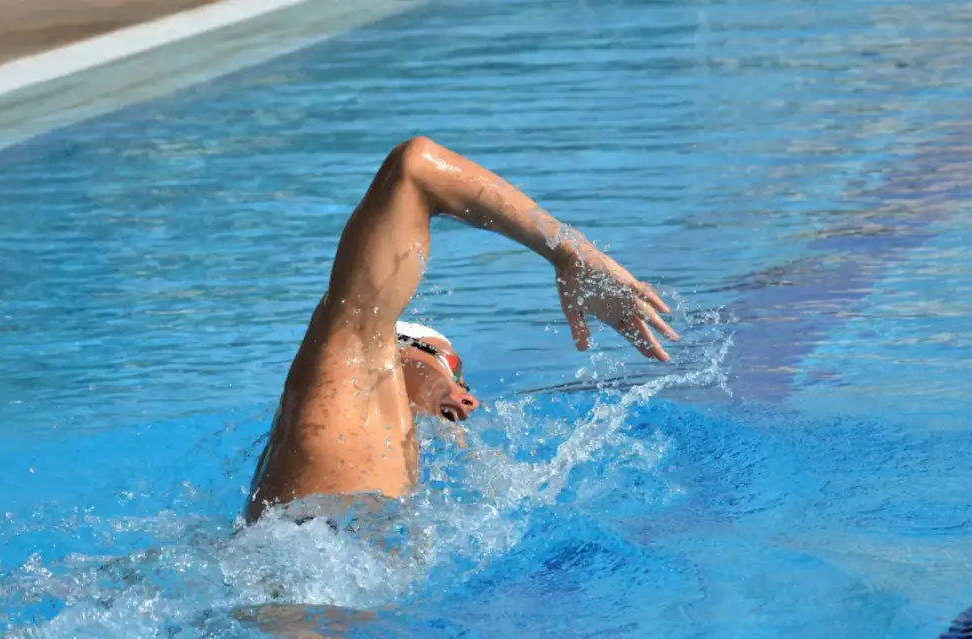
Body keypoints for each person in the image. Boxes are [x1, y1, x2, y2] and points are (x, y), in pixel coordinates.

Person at [245, 137, 679, 523]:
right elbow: (416, 167)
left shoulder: (375, 470)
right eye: (442, 361)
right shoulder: (344, 367)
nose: (463, 392)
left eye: (459, 377)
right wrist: (571, 252)